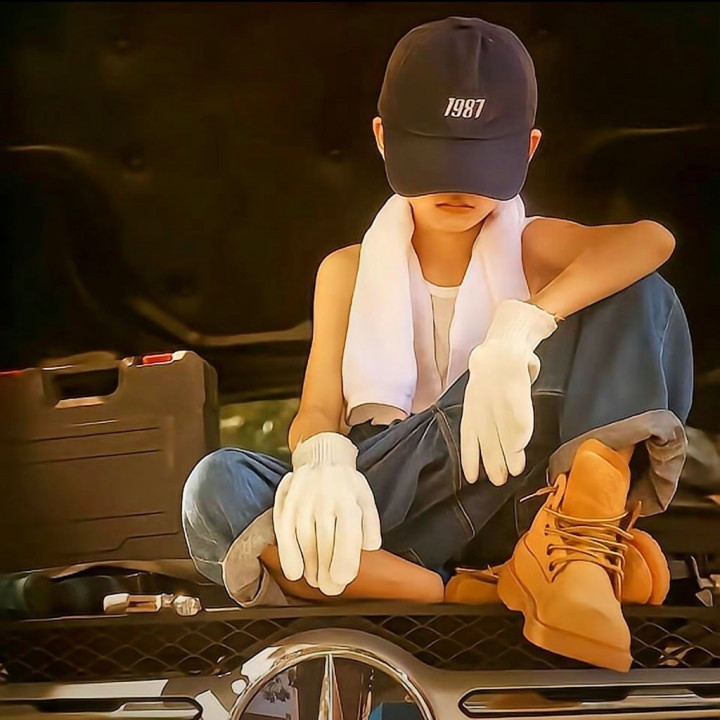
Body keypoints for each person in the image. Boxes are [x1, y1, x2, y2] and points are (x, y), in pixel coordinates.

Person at [182, 17, 693, 671]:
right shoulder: (345, 270)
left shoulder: (534, 246)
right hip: (394, 492)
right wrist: (321, 462)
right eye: (435, 158)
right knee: (216, 486)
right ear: (382, 138)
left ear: (528, 149)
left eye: (481, 163)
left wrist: (521, 329)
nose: (458, 186)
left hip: (514, 484)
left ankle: (579, 555)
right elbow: (318, 409)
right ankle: (469, 592)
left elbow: (650, 241)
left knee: (636, 289)